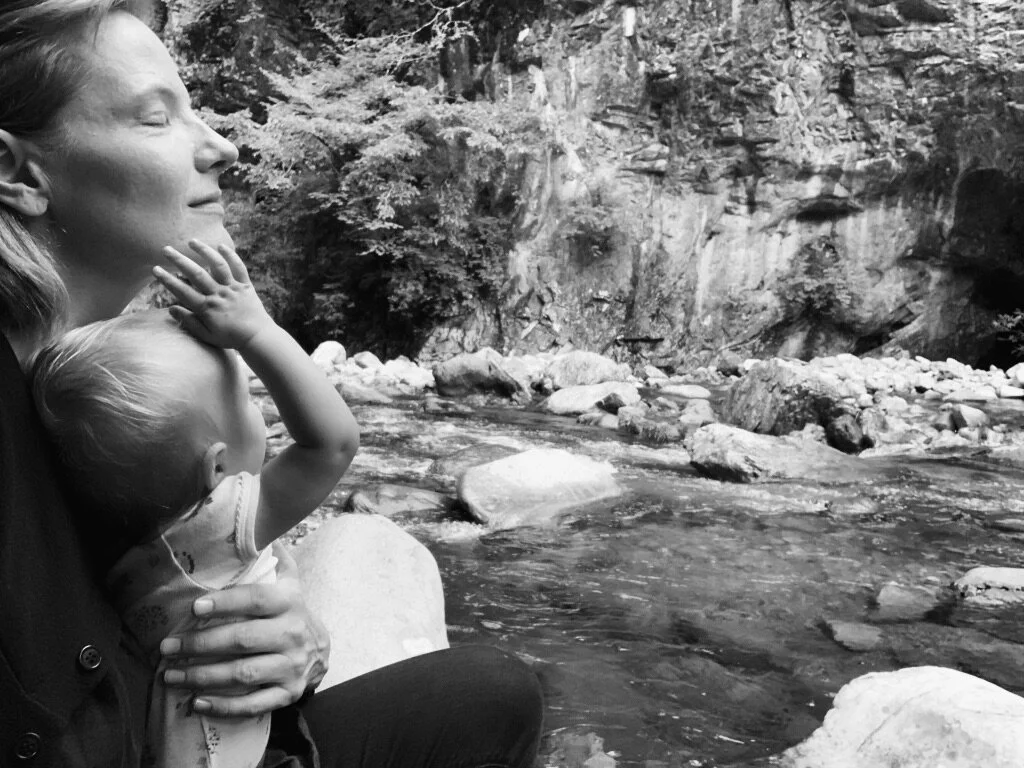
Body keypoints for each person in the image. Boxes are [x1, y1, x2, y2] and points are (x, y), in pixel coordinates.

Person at [0, 2, 544, 767]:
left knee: (493, 693)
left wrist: (292, 647)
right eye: (157, 119)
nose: (219, 146)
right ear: (16, 172)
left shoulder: (96, 395)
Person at [32, 239, 360, 768]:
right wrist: (257, 332)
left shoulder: (109, 534)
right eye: (249, 402)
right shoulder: (221, 527)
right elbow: (334, 444)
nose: (268, 417)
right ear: (216, 469)